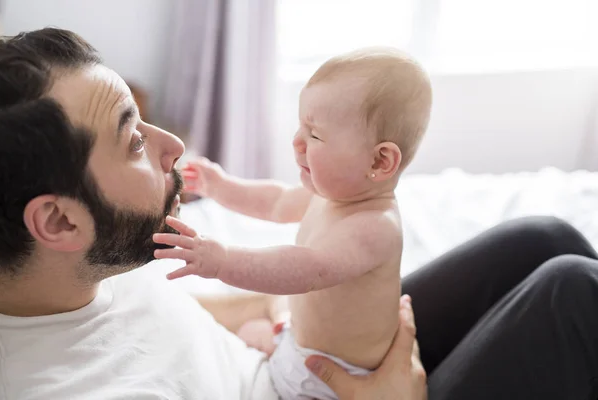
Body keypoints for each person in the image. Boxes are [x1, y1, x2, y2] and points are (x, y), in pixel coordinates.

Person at [0, 27, 598, 400]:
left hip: (300, 352)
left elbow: (154, 327)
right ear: (58, 222)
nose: (173, 147)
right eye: (133, 141)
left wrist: (270, 307)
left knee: (544, 239)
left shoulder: (80, 275)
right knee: (572, 294)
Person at [153, 47, 432, 400]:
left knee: (249, 346)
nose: (297, 141)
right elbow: (276, 201)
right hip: (300, 343)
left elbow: (305, 269)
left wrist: (223, 261)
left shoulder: (374, 227)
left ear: (380, 160)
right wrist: (220, 186)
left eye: (314, 135)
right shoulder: (332, 194)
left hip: (334, 381)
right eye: (301, 125)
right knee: (252, 333)